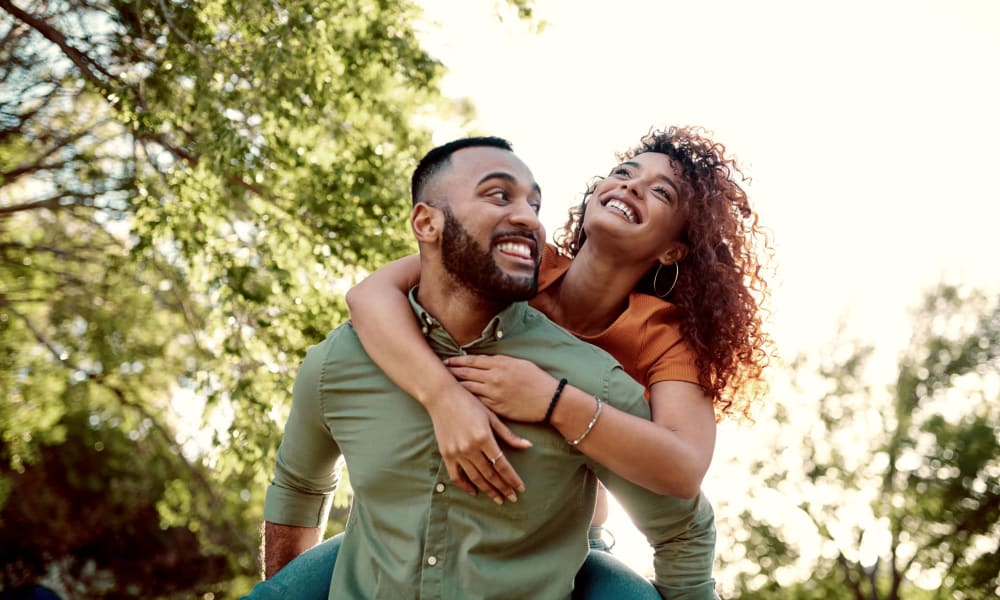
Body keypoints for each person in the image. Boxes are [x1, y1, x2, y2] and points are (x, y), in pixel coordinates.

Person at [251, 136, 719, 600]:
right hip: (397, 540)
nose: (633, 187)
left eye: (661, 192)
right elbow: (369, 295)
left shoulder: (662, 336)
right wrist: (444, 397)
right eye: (624, 172)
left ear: (673, 250)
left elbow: (682, 473)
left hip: (557, 539)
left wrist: (552, 400)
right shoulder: (516, 263)